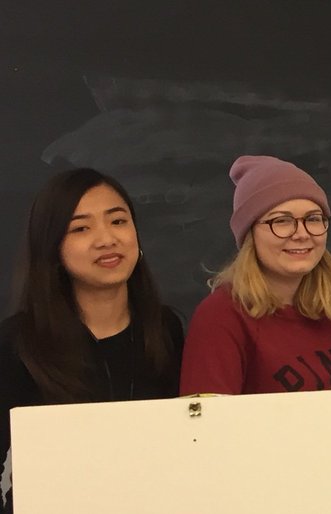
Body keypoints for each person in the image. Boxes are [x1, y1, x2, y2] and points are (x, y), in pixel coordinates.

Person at [179, 155, 331, 514]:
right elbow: (212, 435)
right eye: (281, 221)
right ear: (250, 233)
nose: (301, 233)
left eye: (314, 219)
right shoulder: (221, 317)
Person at [0, 169, 183, 512]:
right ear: (52, 247)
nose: (106, 239)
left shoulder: (164, 329)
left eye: (118, 221)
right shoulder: (17, 343)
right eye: (81, 228)